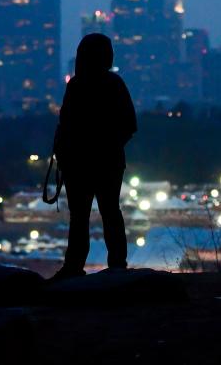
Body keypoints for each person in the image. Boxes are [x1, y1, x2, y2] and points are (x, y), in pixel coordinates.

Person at [52, 33, 137, 279]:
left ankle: (74, 267)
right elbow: (130, 124)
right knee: (110, 213)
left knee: (81, 217)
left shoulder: (77, 86)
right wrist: (111, 145)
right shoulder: (113, 84)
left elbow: (65, 125)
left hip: (80, 163)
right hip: (106, 162)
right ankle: (117, 267)